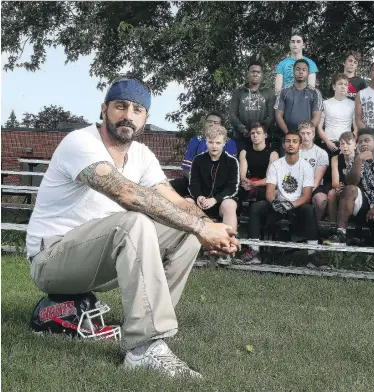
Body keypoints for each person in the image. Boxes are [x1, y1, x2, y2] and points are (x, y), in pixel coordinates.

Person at [25, 76, 240, 378]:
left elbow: (177, 203)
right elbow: (125, 193)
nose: (128, 115)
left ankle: (150, 326)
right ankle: (143, 349)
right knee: (135, 223)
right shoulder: (80, 141)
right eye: (120, 106)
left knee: (185, 231)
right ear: (104, 110)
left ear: (145, 118)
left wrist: (209, 226)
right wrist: (202, 227)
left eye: (137, 109)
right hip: (52, 259)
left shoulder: (141, 154)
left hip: (95, 259)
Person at [326, 128, 374, 279]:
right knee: (349, 190)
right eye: (360, 141)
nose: (363, 144)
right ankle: (341, 233)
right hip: (366, 203)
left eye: (367, 141)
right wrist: (359, 160)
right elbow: (350, 182)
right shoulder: (357, 159)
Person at [238, 132, 319, 265]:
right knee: (257, 207)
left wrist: (291, 205)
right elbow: (269, 192)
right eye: (288, 141)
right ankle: (254, 251)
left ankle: (313, 255)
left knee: (309, 209)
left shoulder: (306, 167)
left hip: (296, 207)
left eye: (294, 141)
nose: (291, 144)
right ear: (283, 145)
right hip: (278, 205)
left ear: (300, 145)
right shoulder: (276, 165)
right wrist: (274, 202)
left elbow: (307, 196)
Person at [188, 125, 240, 265]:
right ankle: (186, 249)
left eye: (218, 142)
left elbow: (233, 187)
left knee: (229, 204)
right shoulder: (198, 160)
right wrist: (198, 196)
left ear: (224, 142)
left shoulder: (231, 161)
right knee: (187, 202)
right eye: (211, 142)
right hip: (202, 202)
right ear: (206, 142)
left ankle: (227, 250)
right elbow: (193, 184)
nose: (214, 146)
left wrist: (215, 199)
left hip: (221, 202)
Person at [172, 112, 237, 197]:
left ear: (221, 126)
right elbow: (186, 169)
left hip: (221, 185)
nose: (211, 124)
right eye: (209, 121)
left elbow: (232, 172)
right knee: (172, 186)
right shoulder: (195, 141)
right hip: (196, 181)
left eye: (215, 122)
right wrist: (198, 185)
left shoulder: (229, 143)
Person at [229, 60, 275, 152]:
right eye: (253, 71)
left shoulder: (269, 92)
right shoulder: (239, 92)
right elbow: (232, 114)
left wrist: (259, 131)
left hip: (262, 138)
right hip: (241, 138)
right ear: (248, 73)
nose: (255, 74)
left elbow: (271, 115)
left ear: (262, 74)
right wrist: (243, 129)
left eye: (258, 72)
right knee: (242, 163)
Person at [275, 59, 323, 137]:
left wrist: (306, 133)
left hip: (307, 137)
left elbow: (317, 116)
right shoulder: (283, 91)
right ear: (293, 72)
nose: (301, 72)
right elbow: (278, 116)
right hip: (287, 136)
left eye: (304, 70)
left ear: (308, 73)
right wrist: (288, 134)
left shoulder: (315, 93)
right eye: (298, 69)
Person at [318, 73, 358, 157]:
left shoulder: (353, 104)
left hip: (346, 146)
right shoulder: (325, 103)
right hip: (328, 144)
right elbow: (319, 127)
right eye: (340, 84)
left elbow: (356, 128)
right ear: (334, 87)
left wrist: (348, 145)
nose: (343, 86)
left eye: (346, 84)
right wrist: (327, 142)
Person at [238, 122, 279, 203]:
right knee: (238, 190)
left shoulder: (273, 154)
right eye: (252, 133)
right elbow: (242, 175)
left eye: (258, 133)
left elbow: (269, 179)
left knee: (270, 192)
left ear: (265, 135)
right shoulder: (244, 152)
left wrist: (253, 184)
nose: (255, 135)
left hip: (265, 185)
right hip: (249, 183)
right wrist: (246, 182)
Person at [298, 121, 330, 221]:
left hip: (314, 186)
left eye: (308, 133)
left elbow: (316, 180)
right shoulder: (293, 151)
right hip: (295, 184)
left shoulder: (321, 153)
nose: (305, 136)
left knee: (322, 200)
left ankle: (316, 224)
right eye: (302, 133)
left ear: (313, 134)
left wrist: (305, 192)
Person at [327, 131, 357, 224]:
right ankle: (332, 224)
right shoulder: (335, 158)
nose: (345, 146)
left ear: (355, 146)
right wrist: (338, 187)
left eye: (348, 143)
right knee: (332, 193)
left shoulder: (360, 158)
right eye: (342, 144)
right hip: (341, 187)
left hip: (356, 189)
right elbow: (335, 182)